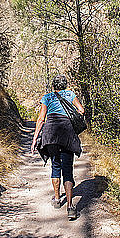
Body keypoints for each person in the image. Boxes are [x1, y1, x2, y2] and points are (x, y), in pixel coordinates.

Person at [31, 75, 85, 220]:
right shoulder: (70, 94)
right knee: (67, 169)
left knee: (55, 165)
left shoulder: (47, 97)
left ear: (54, 86)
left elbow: (41, 119)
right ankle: (70, 206)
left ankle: (56, 199)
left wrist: (35, 138)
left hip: (51, 134)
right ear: (65, 85)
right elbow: (81, 110)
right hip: (67, 134)